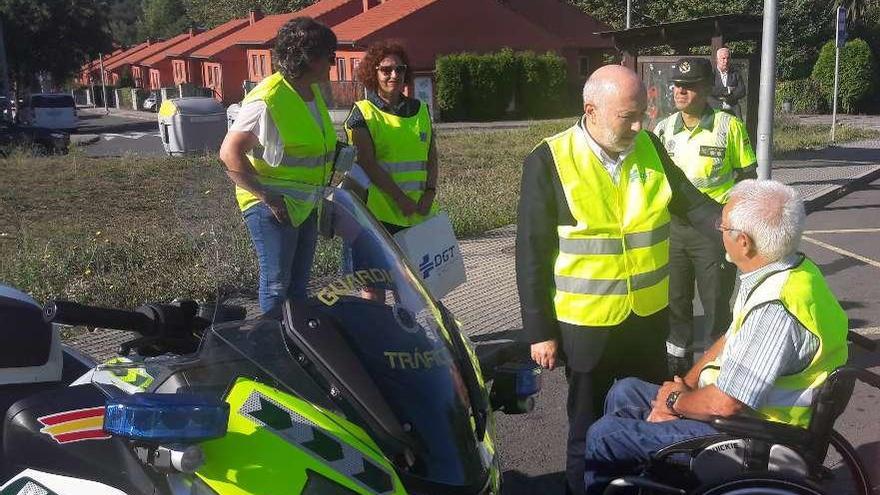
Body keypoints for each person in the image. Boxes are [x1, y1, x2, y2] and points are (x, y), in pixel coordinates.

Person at [515, 64, 722, 495]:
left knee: (649, 418)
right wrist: (539, 332)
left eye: (641, 114)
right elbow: (531, 253)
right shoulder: (549, 159)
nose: (637, 124)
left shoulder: (648, 146)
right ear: (591, 109)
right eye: (626, 116)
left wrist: (741, 226)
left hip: (646, 319)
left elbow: (690, 201)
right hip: (585, 327)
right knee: (587, 427)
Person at [583, 180, 849, 494]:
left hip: (757, 434)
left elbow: (726, 405)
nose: (718, 232)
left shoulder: (775, 310)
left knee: (606, 435)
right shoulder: (793, 271)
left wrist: (673, 402)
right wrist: (686, 384)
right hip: (741, 412)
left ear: (743, 242)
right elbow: (729, 337)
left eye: (722, 226)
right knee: (625, 390)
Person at [218, 17, 338, 317]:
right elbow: (229, 153)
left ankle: (298, 347)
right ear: (306, 56)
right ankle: (272, 345)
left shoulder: (311, 92)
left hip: (306, 203)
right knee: (276, 285)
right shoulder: (267, 98)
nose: (333, 63)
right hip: (272, 207)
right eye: (329, 55)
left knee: (299, 286)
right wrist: (267, 196)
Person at [654, 57, 757, 377]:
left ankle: (716, 371)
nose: (680, 91)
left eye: (689, 86)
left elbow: (748, 180)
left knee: (714, 305)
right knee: (676, 304)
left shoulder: (728, 126)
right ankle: (678, 371)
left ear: (708, 88)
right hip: (674, 230)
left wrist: (736, 226)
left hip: (714, 231)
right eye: (677, 85)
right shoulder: (662, 129)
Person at [343, 41, 438, 301]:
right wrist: (400, 200)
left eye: (399, 69)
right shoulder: (362, 113)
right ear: (373, 73)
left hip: (417, 213)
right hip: (376, 215)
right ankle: (379, 339)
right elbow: (367, 163)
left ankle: (411, 339)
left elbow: (431, 154)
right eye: (386, 70)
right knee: (374, 287)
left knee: (413, 288)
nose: (394, 75)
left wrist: (430, 192)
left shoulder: (421, 111)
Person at [709, 47, 746, 119]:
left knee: (738, 127)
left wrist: (728, 98)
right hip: (714, 109)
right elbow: (708, 89)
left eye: (728, 58)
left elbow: (742, 91)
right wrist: (727, 90)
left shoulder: (735, 73)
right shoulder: (710, 74)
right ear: (717, 59)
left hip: (733, 109)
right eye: (723, 58)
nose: (726, 61)